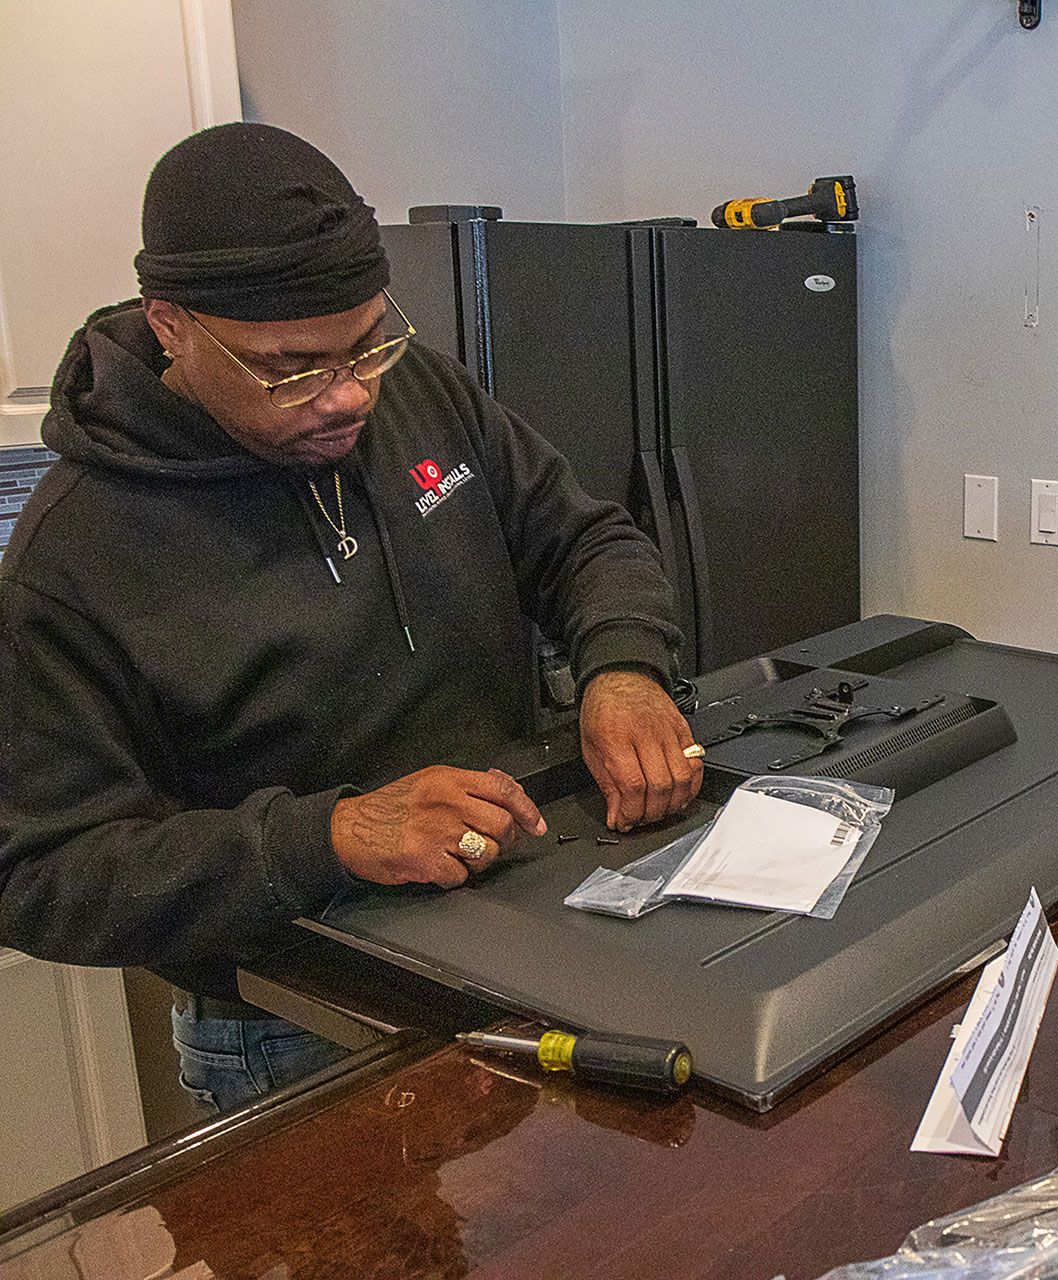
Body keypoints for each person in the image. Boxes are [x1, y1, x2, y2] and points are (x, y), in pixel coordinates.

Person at [0, 123, 703, 1113]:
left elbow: (584, 540)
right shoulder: (73, 556)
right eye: (290, 366)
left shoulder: (419, 390)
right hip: (295, 1025)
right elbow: (41, 874)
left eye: (369, 342)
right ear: (171, 324)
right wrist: (326, 835)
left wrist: (623, 666)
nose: (347, 395)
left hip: (525, 934)